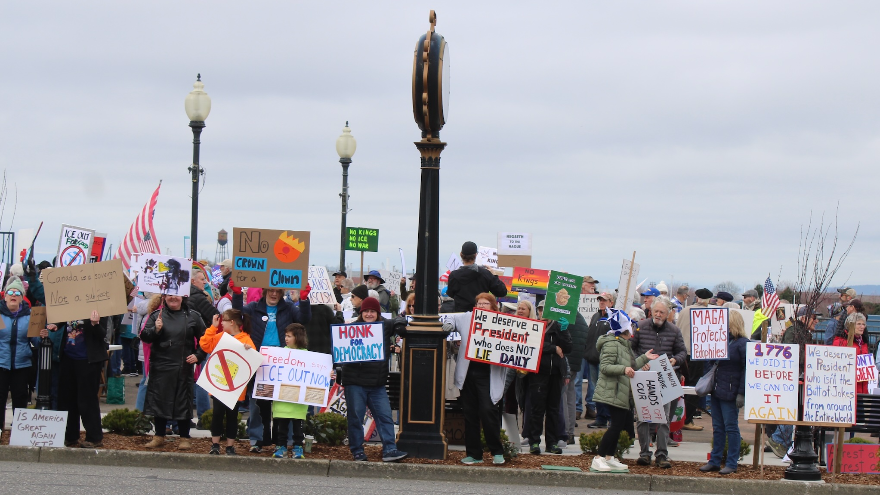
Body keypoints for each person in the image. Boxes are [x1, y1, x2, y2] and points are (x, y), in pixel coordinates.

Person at [231, 280, 311, 453]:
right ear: (264, 291)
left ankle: (286, 440)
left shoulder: (289, 308)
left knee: (286, 400)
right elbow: (236, 316)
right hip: (260, 362)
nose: (274, 294)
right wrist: (237, 294)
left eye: (277, 291)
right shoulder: (253, 308)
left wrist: (304, 300)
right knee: (259, 402)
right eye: (270, 291)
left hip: (284, 362)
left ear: (282, 293)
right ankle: (258, 439)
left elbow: (304, 320)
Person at [338, 297, 408, 462]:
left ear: (378, 313)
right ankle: (357, 451)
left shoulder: (385, 326)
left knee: (385, 417)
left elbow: (401, 319)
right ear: (361, 313)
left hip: (377, 384)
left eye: (373, 311)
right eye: (366, 311)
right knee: (356, 418)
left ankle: (390, 449)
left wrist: (398, 324)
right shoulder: (351, 330)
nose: (369, 314)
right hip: (355, 383)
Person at [591, 309, 659, 473]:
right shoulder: (611, 344)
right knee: (615, 426)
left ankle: (609, 457)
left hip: (621, 391)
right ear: (624, 329)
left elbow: (632, 365)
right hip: (612, 391)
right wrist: (623, 369)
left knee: (620, 426)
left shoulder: (623, 344)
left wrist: (644, 358)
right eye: (631, 327)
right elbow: (606, 367)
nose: (634, 330)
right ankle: (598, 458)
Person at [140, 293, 208, 450]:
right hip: (161, 366)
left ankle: (185, 437)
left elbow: (205, 340)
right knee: (160, 400)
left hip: (182, 367)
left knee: (182, 402)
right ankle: (159, 436)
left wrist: (198, 355)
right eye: (170, 295)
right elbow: (145, 337)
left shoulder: (193, 316)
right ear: (164, 297)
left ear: (183, 297)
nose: (173, 298)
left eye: (177, 296)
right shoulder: (156, 315)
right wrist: (156, 330)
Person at [450, 293, 509, 465]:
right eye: (479, 303)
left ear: (493, 306)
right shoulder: (467, 318)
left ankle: (497, 451)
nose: (482, 306)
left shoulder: (501, 322)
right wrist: (449, 325)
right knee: (470, 415)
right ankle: (474, 454)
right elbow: (453, 320)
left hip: (488, 375)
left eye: (485, 304)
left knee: (488, 412)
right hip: (469, 373)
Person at [631, 299, 687, 469]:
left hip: (664, 378)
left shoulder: (674, 330)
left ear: (668, 313)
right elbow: (631, 348)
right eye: (656, 311)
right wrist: (640, 361)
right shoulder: (640, 327)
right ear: (651, 311)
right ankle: (644, 454)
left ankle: (662, 454)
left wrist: (674, 359)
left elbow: (682, 352)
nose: (658, 314)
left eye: (662, 312)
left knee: (663, 418)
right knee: (643, 416)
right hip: (644, 377)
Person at [200, 309, 255, 456]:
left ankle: (230, 446)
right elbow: (205, 345)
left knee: (232, 416)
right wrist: (212, 327)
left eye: (223, 320)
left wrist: (249, 350)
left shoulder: (246, 340)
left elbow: (253, 361)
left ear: (232, 322)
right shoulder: (220, 337)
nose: (221, 323)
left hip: (235, 387)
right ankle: (215, 444)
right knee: (217, 414)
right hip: (220, 384)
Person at [51, 310, 108, 448]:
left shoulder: (98, 307)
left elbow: (103, 334)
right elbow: (61, 322)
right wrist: (55, 324)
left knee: (87, 399)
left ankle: (94, 437)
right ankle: (70, 436)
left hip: (88, 360)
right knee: (66, 398)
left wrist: (95, 324)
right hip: (68, 357)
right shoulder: (70, 305)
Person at [700, 311, 748, 475]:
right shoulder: (721, 341)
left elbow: (746, 370)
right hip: (717, 389)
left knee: (731, 427)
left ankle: (731, 462)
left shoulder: (742, 344)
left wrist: (741, 393)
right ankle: (715, 461)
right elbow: (710, 363)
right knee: (718, 427)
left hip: (730, 391)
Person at [527, 306, 572, 455]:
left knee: (553, 410)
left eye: (545, 310)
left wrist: (564, 330)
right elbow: (532, 345)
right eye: (540, 310)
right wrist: (553, 348)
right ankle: (534, 441)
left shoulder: (558, 328)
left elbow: (568, 347)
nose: (543, 313)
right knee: (537, 409)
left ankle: (551, 442)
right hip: (538, 374)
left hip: (555, 374)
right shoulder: (535, 327)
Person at [0, 278, 39, 430]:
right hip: (1, 363)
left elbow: (36, 341)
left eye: (17, 292)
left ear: (22, 297)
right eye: (10, 292)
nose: (13, 295)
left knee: (20, 398)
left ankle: (20, 430)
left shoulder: (29, 316)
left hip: (22, 364)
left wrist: (42, 335)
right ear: (5, 296)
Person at [272, 323, 314, 459]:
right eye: (285, 335)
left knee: (298, 427)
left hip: (298, 401)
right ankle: (281, 446)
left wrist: (328, 373)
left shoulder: (307, 355)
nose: (286, 338)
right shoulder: (280, 353)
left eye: (289, 336)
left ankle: (297, 446)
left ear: (297, 337)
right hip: (282, 398)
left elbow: (316, 371)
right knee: (281, 426)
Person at [677, 287, 712, 430]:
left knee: (683, 386)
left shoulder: (685, 311)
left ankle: (680, 417)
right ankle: (687, 419)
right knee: (694, 387)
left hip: (683, 353)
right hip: (698, 353)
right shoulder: (708, 313)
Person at [446, 241, 508, 312]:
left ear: (461, 254)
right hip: (480, 315)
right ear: (476, 255)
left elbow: (450, 294)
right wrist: (494, 275)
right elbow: (502, 292)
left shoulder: (454, 275)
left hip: (460, 314)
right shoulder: (485, 274)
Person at [585, 292, 615, 428]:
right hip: (592, 358)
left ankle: (609, 417)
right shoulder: (595, 316)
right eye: (600, 300)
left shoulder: (613, 318)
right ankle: (600, 418)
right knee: (596, 390)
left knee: (606, 390)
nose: (602, 302)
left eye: (605, 300)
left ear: (611, 302)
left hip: (605, 361)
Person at [832, 312, 871, 395]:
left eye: (863, 324)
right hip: (847, 391)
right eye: (859, 324)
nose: (862, 327)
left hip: (863, 390)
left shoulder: (864, 343)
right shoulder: (840, 342)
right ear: (850, 325)